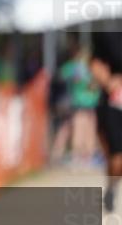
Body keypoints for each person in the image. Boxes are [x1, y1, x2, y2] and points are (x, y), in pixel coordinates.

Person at [51, 38, 101, 165]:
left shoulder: (89, 67)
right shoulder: (74, 67)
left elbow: (95, 84)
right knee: (79, 129)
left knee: (89, 130)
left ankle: (87, 156)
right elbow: (61, 76)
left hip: (90, 103)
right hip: (79, 103)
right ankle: (77, 156)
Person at [91, 30, 122, 211]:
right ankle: (111, 187)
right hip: (113, 104)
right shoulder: (110, 37)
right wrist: (109, 82)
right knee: (116, 157)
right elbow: (95, 64)